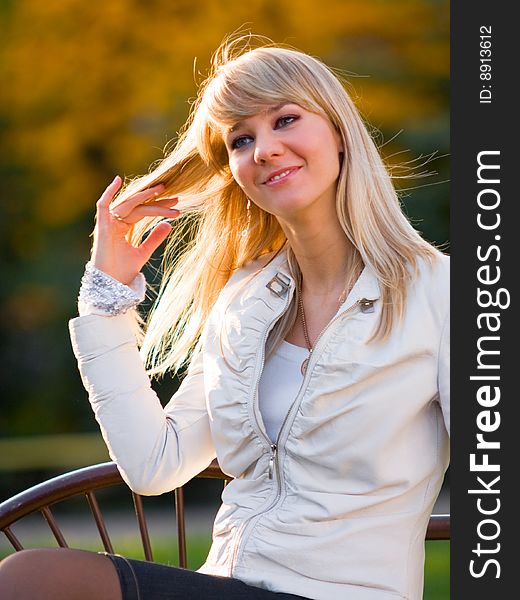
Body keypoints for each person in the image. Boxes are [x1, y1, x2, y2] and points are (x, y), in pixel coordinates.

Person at [0, 35, 449, 600]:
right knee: (32, 580)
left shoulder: (443, 294)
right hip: (229, 583)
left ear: (338, 130)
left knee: (34, 579)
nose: (263, 149)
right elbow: (152, 465)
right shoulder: (245, 302)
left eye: (285, 119)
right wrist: (105, 298)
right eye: (241, 139)